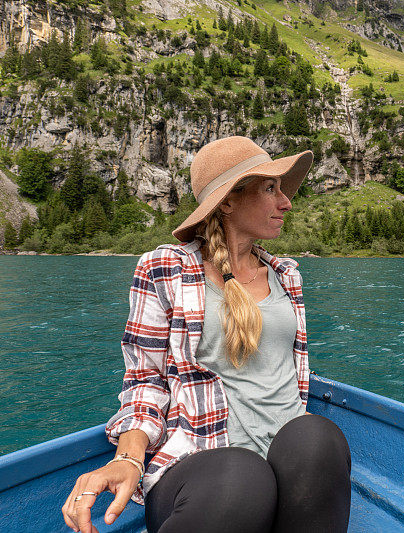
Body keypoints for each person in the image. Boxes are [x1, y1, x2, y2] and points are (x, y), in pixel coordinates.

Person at [62, 136, 352, 533]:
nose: (286, 203)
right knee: (242, 476)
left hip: (286, 463)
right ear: (227, 201)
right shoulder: (166, 268)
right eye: (270, 188)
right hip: (203, 466)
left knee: (318, 438)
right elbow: (145, 380)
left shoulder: (288, 275)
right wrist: (128, 459)